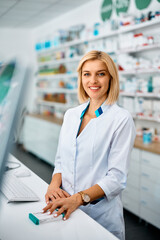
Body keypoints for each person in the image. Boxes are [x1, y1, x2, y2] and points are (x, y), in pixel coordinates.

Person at [43, 50, 136, 240]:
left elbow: (117, 178)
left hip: (99, 215)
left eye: (100, 74)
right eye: (87, 74)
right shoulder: (71, 115)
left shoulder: (121, 119)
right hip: (65, 208)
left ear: (111, 78)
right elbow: (61, 160)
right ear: (81, 78)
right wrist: (53, 185)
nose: (93, 80)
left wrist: (78, 198)